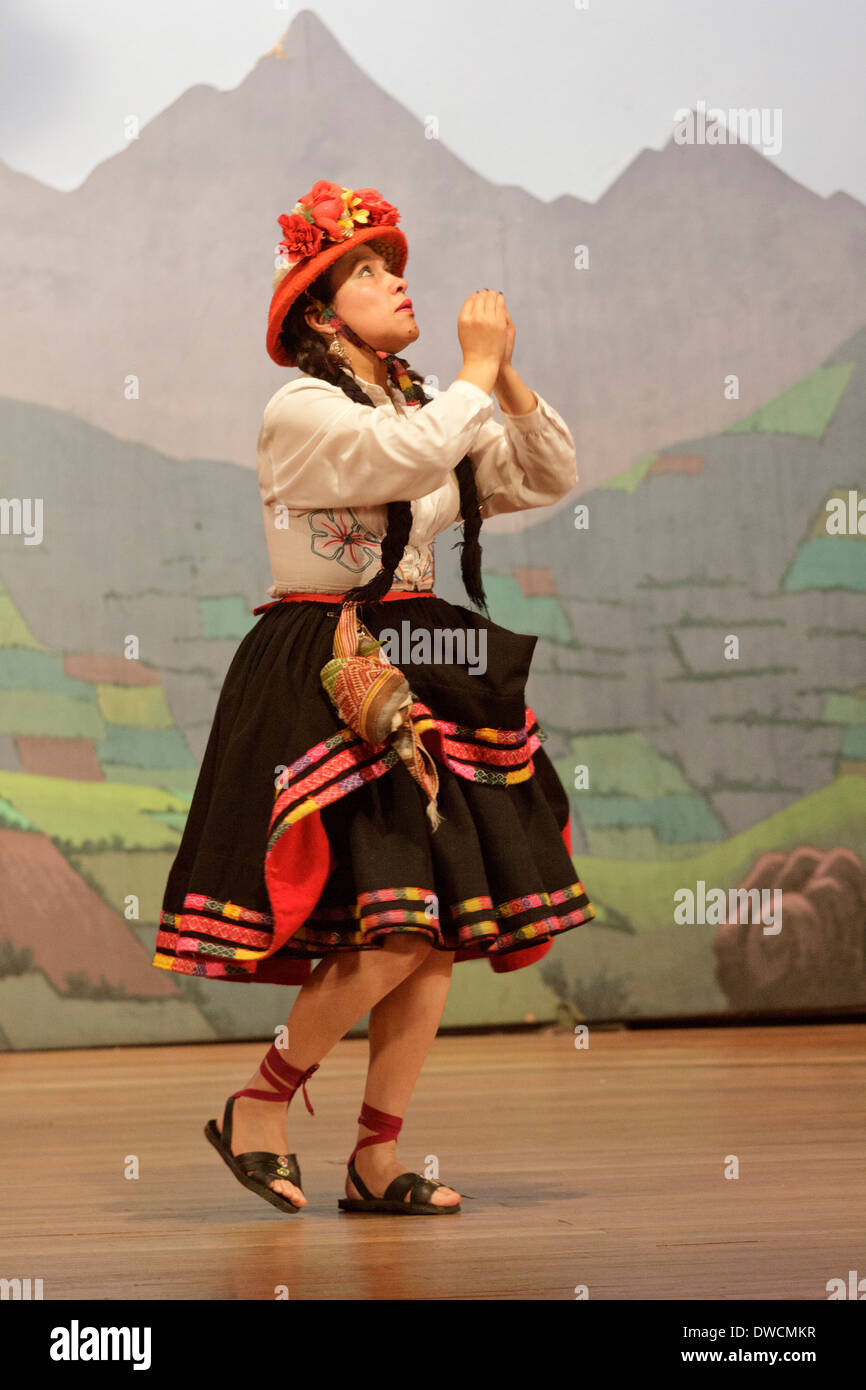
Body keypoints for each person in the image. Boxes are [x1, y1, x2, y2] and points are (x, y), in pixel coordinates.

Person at [151, 179, 595, 1217]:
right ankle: (258, 1103)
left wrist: (501, 375)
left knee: (429, 926)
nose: (397, 282)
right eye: (367, 271)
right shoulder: (302, 409)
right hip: (327, 662)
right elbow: (405, 458)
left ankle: (375, 1155)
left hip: (420, 655)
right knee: (390, 928)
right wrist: (470, 378)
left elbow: (543, 473)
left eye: (395, 266)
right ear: (316, 311)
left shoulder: (424, 397)